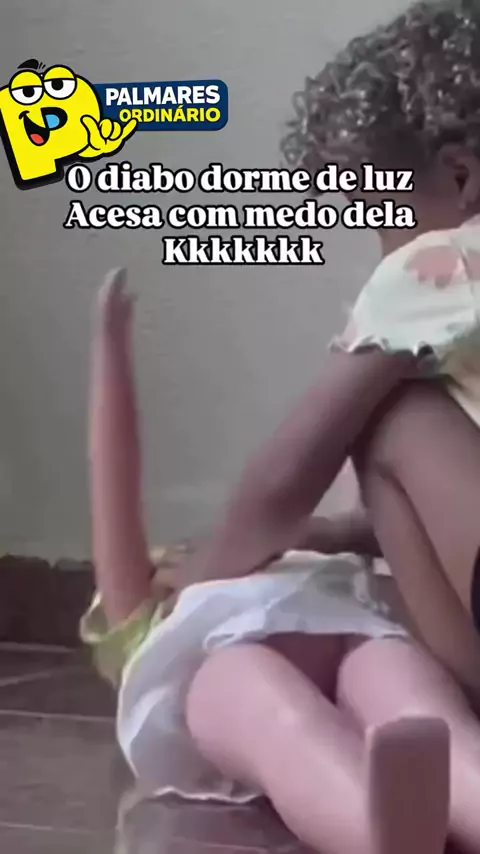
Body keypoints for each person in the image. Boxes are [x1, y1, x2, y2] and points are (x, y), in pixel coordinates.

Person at [85, 268, 480, 854]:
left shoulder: (302, 560)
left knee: (414, 712)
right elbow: (113, 497)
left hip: (352, 631)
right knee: (284, 719)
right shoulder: (160, 628)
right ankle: (378, 828)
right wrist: (109, 348)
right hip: (239, 656)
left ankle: (421, 817)